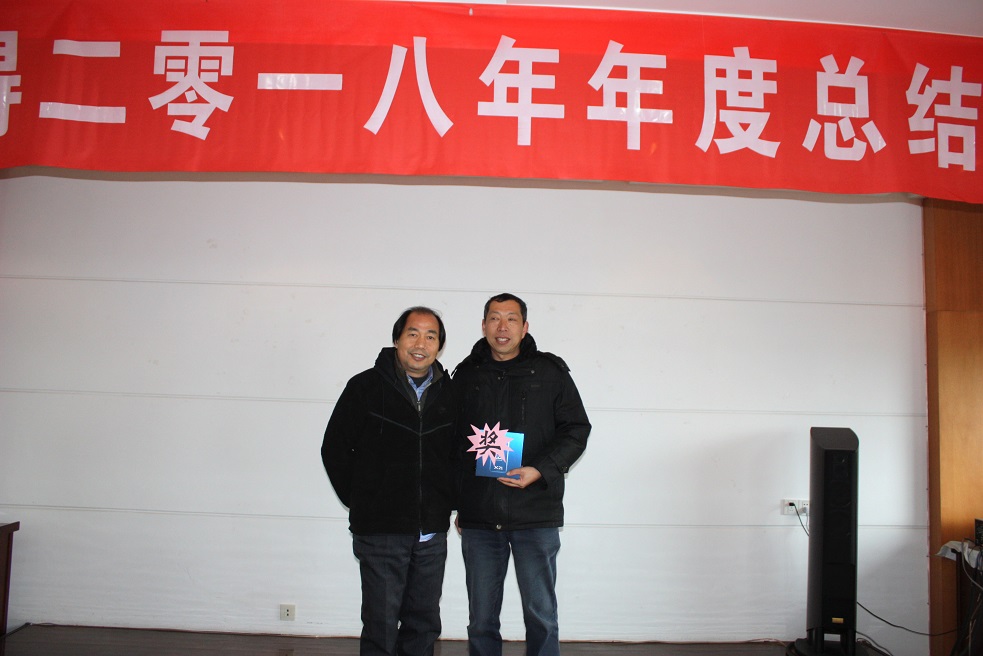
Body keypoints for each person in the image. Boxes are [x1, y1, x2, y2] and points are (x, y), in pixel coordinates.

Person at [454, 293, 591, 656]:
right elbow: (452, 443)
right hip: (481, 516)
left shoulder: (550, 373)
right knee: (481, 619)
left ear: (525, 327)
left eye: (512, 319)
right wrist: (459, 504)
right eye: (495, 318)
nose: (503, 327)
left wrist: (540, 470)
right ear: (483, 326)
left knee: (541, 615)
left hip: (535, 512)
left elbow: (576, 430)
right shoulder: (466, 375)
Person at [322, 306, 457, 656]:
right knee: (380, 624)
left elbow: (458, 456)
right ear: (397, 339)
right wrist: (363, 500)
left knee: (424, 622)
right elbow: (335, 448)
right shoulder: (365, 387)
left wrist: (451, 502)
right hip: (381, 530)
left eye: (431, 336)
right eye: (413, 334)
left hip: (431, 533)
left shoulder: (450, 393)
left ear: (439, 346)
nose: (421, 344)